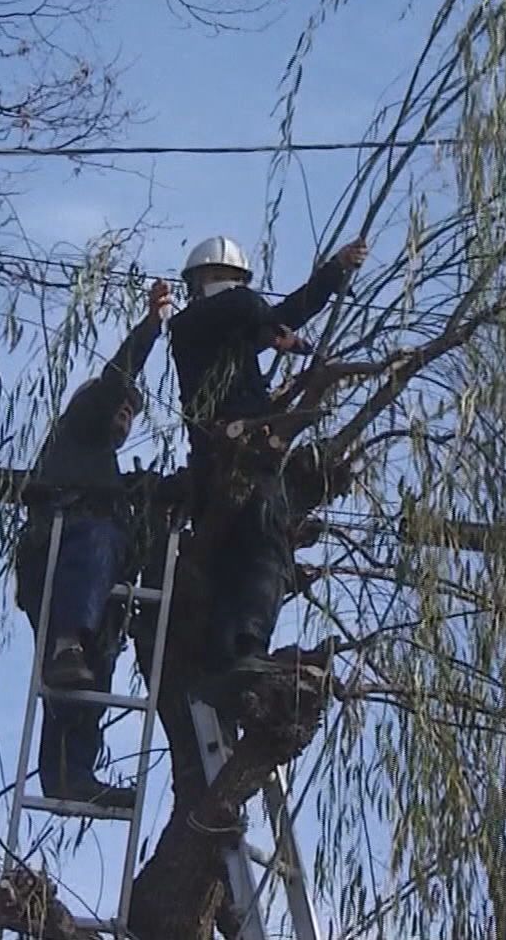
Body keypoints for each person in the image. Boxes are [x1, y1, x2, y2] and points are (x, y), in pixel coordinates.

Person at [167, 235, 368, 706]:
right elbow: (256, 311)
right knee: (266, 544)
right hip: (230, 453)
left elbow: (283, 313)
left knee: (237, 559)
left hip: (233, 453)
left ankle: (227, 657)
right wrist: (278, 332)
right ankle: (246, 645)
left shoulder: (229, 329)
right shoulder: (198, 321)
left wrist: (333, 273)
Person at [12, 278, 172, 809]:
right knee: (100, 543)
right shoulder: (77, 430)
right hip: (62, 557)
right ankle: (65, 644)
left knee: (93, 671)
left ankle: (70, 773)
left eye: (132, 413)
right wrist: (152, 326)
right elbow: (116, 376)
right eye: (119, 409)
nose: (125, 417)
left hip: (94, 584)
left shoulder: (110, 473)